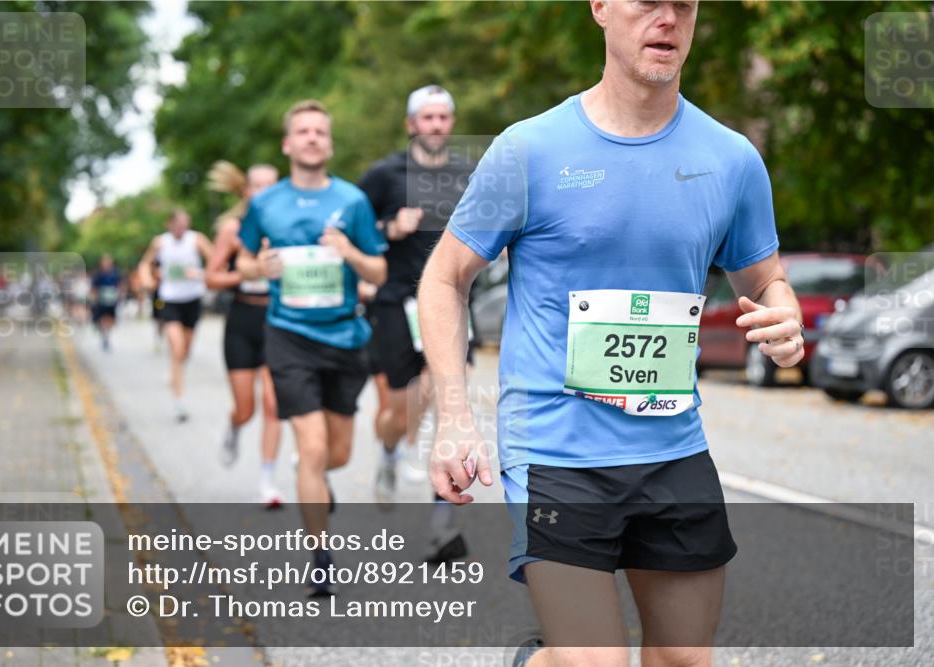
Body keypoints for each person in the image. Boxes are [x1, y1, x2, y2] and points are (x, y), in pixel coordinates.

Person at [418, 2, 805, 665]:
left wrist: (785, 314)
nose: (667, 18)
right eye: (647, 1)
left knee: (684, 659)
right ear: (600, 7)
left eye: (683, 4)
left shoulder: (731, 159)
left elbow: (766, 278)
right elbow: (445, 277)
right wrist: (453, 417)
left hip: (673, 446)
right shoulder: (529, 149)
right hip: (555, 450)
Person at [237, 99, 387, 596]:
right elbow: (242, 262)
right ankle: (320, 556)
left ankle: (313, 478)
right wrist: (259, 268)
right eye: (303, 131)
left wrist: (349, 252)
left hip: (345, 336)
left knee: (336, 453)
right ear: (287, 143)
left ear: (330, 143)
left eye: (320, 131)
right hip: (289, 336)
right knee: (314, 446)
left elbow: (379, 271)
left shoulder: (353, 201)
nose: (312, 138)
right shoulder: (265, 204)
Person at [357, 84, 474, 561]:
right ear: (411, 125)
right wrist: (389, 228)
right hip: (396, 302)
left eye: (443, 117)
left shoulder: (467, 175)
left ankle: (441, 524)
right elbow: (351, 234)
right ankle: (389, 452)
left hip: (451, 302)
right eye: (427, 117)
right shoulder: (383, 175)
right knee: (400, 410)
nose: (436, 125)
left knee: (448, 399)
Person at [205, 160, 285, 507]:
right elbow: (211, 278)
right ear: (246, 190)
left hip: (276, 320)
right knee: (246, 409)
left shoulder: (288, 227)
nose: (264, 192)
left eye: (271, 185)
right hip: (241, 320)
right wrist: (248, 272)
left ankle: (267, 480)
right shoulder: (232, 230)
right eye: (258, 185)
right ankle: (234, 426)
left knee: (273, 405)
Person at [139, 209, 215, 422]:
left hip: (192, 299)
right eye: (178, 224)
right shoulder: (160, 242)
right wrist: (147, 279)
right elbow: (145, 264)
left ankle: (176, 371)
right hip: (170, 299)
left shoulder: (197, 240)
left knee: (185, 351)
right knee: (177, 346)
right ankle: (179, 402)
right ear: (169, 224)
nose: (182, 228)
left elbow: (216, 261)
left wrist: (200, 273)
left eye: (185, 224)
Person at [90, 254, 121, 352]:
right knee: (102, 318)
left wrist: (120, 294)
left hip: (112, 299)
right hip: (101, 299)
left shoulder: (115, 272)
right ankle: (104, 335)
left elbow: (120, 285)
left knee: (110, 319)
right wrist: (94, 298)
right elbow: (94, 287)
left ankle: (107, 335)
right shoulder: (98, 273)